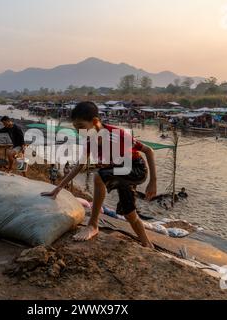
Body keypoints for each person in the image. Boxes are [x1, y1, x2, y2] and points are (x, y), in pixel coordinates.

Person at [41, 102, 157, 248]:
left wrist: (153, 182)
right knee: (129, 214)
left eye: (82, 127)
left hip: (136, 169)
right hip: (118, 174)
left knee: (99, 175)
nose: (79, 132)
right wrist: (57, 189)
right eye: (76, 129)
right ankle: (148, 245)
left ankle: (93, 225)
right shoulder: (90, 141)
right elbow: (79, 165)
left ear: (95, 121)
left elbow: (149, 151)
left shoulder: (118, 135)